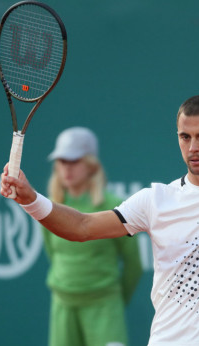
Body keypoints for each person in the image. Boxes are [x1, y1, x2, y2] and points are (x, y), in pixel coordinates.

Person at [1, 69, 199, 346]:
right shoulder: (155, 200)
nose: (193, 148)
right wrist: (30, 199)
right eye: (185, 137)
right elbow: (82, 227)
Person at [41, 127, 143, 346]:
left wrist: (111, 301)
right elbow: (52, 252)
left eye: (74, 161)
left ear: (90, 164)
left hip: (105, 307)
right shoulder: (51, 207)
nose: (66, 168)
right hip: (63, 306)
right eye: (61, 161)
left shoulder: (113, 205)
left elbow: (134, 263)